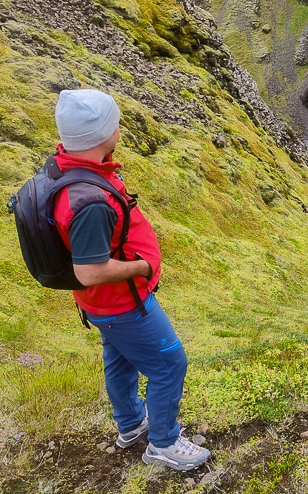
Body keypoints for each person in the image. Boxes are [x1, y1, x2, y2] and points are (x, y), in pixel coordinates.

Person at [51, 88, 210, 472]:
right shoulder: (88, 200)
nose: (119, 127)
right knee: (170, 362)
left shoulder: (73, 168)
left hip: (103, 305)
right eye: (115, 122)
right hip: (121, 302)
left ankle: (131, 424)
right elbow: (90, 271)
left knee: (120, 359)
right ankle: (164, 443)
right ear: (102, 134)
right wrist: (142, 267)